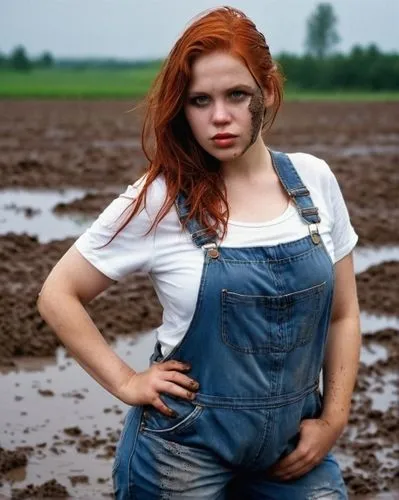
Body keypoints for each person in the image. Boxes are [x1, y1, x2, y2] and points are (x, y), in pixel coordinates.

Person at [37, 6, 361, 499]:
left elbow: (343, 315)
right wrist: (127, 381)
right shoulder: (159, 199)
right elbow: (58, 294)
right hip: (180, 456)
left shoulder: (314, 181)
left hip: (293, 452)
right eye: (199, 101)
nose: (220, 117)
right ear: (181, 107)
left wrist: (334, 418)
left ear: (268, 92)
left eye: (237, 95)